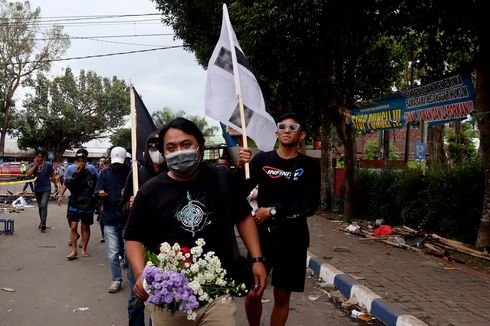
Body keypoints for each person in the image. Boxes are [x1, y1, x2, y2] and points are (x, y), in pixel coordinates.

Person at [124, 118, 266, 326]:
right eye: (171, 147)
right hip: (169, 298)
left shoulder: (221, 177)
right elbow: (133, 236)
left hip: (217, 292)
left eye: (186, 144)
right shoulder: (151, 190)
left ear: (200, 148)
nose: (179, 152)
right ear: (163, 154)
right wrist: (139, 274)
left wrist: (257, 259)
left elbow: (243, 217)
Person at [241, 112, 320, 326]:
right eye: (282, 126)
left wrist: (273, 210)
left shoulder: (310, 166)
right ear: (277, 132)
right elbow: (243, 192)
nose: (287, 130)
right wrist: (241, 168)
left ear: (302, 135)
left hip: (293, 238)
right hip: (262, 236)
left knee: (282, 296)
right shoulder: (261, 160)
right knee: (254, 291)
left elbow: (310, 205)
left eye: (293, 127)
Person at [120, 131, 166, 326]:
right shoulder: (137, 174)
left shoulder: (173, 174)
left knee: (163, 295)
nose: (156, 151)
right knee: (137, 295)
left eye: (160, 146)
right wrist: (130, 205)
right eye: (152, 146)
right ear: (146, 149)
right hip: (139, 243)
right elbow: (121, 209)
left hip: (165, 245)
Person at [95, 146, 131, 293]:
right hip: (109, 218)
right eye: (114, 163)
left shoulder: (131, 174)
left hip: (127, 219)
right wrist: (100, 194)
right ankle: (116, 279)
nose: (116, 166)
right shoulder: (104, 173)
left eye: (119, 163)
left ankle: (131, 273)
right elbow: (96, 191)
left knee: (129, 253)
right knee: (112, 253)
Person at [58, 148, 98, 260]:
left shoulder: (91, 171)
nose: (80, 163)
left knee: (85, 227)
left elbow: (97, 185)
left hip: (87, 203)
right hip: (74, 202)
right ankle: (74, 251)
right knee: (73, 226)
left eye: (82, 160)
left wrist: (98, 200)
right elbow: (67, 183)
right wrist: (61, 195)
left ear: (86, 161)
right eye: (78, 160)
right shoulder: (71, 169)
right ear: (75, 161)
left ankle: (84, 249)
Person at [25, 149, 58, 232]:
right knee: (40, 206)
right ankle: (42, 221)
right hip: (37, 189)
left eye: (41, 157)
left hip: (46, 188)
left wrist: (56, 186)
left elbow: (53, 176)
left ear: (44, 158)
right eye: (38, 157)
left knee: (43, 205)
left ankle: (43, 224)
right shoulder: (33, 165)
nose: (39, 159)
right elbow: (28, 174)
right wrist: (35, 165)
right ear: (35, 157)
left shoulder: (48, 165)